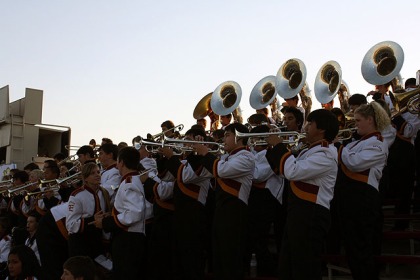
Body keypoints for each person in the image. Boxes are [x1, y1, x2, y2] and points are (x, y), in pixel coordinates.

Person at [265, 109, 339, 280]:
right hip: (299, 212)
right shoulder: (310, 150)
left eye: (310, 123)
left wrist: (279, 146)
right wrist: (272, 149)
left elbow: (292, 171)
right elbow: (282, 171)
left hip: (311, 213)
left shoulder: (326, 153)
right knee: (288, 265)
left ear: (321, 129)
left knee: (304, 267)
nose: (305, 127)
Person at [336, 102, 390, 279]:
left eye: (358, 120)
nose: (355, 123)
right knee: (353, 249)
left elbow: (355, 163)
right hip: (350, 198)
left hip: (363, 199)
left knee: (361, 249)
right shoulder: (355, 143)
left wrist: (339, 147)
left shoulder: (378, 143)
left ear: (370, 119)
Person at [195, 123, 255, 279]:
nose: (223, 139)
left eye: (228, 135)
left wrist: (205, 153)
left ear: (240, 138)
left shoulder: (246, 157)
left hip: (235, 211)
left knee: (230, 259)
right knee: (220, 258)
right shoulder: (228, 157)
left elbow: (220, 170)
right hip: (222, 211)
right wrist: (198, 150)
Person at [160, 128, 212, 279]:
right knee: (180, 256)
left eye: (190, 139)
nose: (185, 142)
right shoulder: (184, 161)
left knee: (192, 256)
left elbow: (185, 176)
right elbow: (165, 176)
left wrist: (171, 158)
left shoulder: (203, 161)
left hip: (195, 213)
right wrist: (163, 157)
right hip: (181, 213)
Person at [94, 147, 147, 279]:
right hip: (128, 238)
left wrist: (106, 222)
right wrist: (111, 214)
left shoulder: (130, 183)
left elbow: (134, 213)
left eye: (117, 161)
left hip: (128, 240)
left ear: (121, 162)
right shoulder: (130, 180)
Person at [247, 125, 285, 277]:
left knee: (259, 238)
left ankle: (269, 271)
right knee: (254, 238)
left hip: (266, 198)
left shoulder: (268, 154)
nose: (252, 142)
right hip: (256, 197)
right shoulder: (255, 155)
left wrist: (243, 166)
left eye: (255, 138)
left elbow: (258, 175)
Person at [66, 162, 110, 259]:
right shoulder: (77, 195)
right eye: (92, 173)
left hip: (98, 241)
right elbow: (70, 225)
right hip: (81, 243)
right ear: (85, 178)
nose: (97, 175)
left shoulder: (104, 193)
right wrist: (92, 220)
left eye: (98, 172)